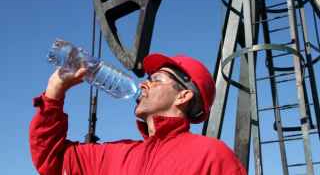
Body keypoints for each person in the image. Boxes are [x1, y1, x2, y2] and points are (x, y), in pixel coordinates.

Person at [29, 53, 247, 175]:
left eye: (156, 80)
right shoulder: (115, 155)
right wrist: (54, 92)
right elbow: (53, 160)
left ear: (183, 96)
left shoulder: (210, 155)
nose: (144, 84)